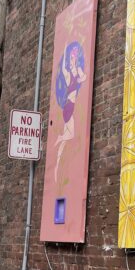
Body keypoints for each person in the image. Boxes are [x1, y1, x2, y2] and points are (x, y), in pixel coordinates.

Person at [54, 42, 86, 182]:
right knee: (70, 134)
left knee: (67, 139)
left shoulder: (75, 71)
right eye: (71, 60)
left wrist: (80, 75)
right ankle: (60, 137)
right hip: (68, 107)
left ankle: (57, 165)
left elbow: (83, 77)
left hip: (69, 106)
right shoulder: (68, 74)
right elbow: (63, 68)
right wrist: (66, 48)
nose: (73, 62)